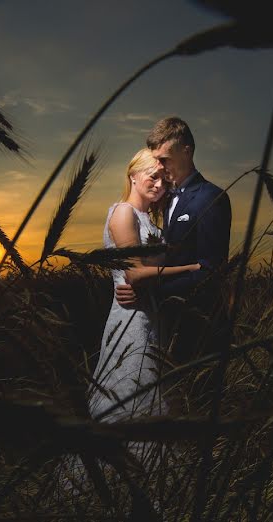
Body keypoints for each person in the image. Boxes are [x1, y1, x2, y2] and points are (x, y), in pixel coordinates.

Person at [115, 117, 232, 406]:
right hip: (167, 326)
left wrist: (149, 290)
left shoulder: (211, 198)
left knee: (200, 408)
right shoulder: (164, 200)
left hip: (199, 324)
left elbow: (210, 272)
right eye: (156, 160)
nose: (159, 167)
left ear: (188, 151)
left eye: (165, 159)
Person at [86, 148, 202, 425]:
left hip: (154, 316)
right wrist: (191, 268)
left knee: (157, 397)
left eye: (165, 180)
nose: (160, 185)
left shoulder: (151, 222)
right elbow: (135, 275)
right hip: (132, 318)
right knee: (132, 393)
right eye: (153, 177)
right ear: (133, 175)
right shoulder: (123, 213)